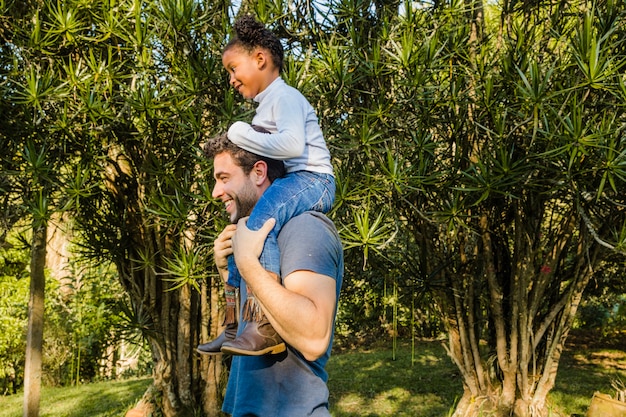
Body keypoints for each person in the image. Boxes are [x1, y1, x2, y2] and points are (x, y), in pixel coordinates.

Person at [198, 14, 336, 356]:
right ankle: (234, 325)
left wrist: (237, 132)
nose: (231, 79)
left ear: (260, 59)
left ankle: (264, 325)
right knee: (241, 237)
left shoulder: (285, 98)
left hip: (313, 179)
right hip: (295, 180)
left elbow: (291, 147)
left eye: (233, 68)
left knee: (260, 226)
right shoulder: (264, 109)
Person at [201, 133, 343, 416]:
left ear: (258, 172)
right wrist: (227, 271)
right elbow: (261, 317)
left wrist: (247, 265)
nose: (216, 192)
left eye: (224, 178)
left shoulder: (304, 228)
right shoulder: (258, 240)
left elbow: (314, 338)